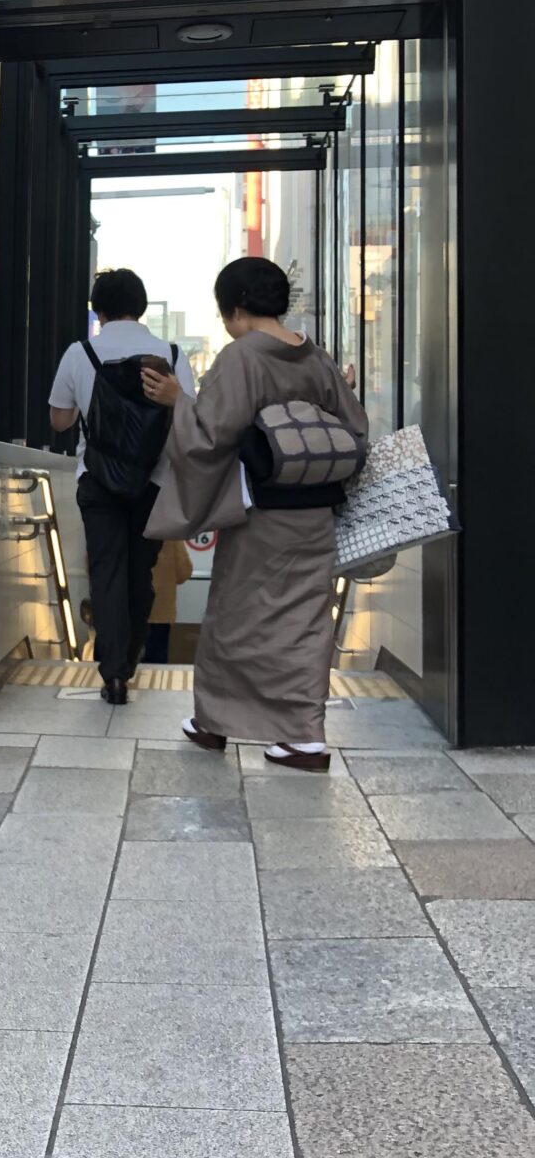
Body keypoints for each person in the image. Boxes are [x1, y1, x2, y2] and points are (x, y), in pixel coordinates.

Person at [142, 257, 368, 772]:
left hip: (261, 514)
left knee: (236, 615)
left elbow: (210, 436)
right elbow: (355, 428)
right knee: (308, 620)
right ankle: (305, 736)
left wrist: (180, 400)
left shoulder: (241, 357)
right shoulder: (317, 358)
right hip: (316, 515)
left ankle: (214, 722)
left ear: (237, 308)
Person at [49, 268, 196, 704]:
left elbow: (59, 419)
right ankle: (131, 657)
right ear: (142, 306)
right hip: (153, 480)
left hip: (98, 481)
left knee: (106, 571)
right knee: (140, 572)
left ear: (98, 309)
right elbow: (188, 414)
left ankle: (113, 672)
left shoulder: (81, 352)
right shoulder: (170, 353)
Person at [143, 541, 193, 665]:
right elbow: (184, 571)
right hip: (160, 612)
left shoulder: (117, 526)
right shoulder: (169, 533)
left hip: (121, 612)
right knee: (155, 667)